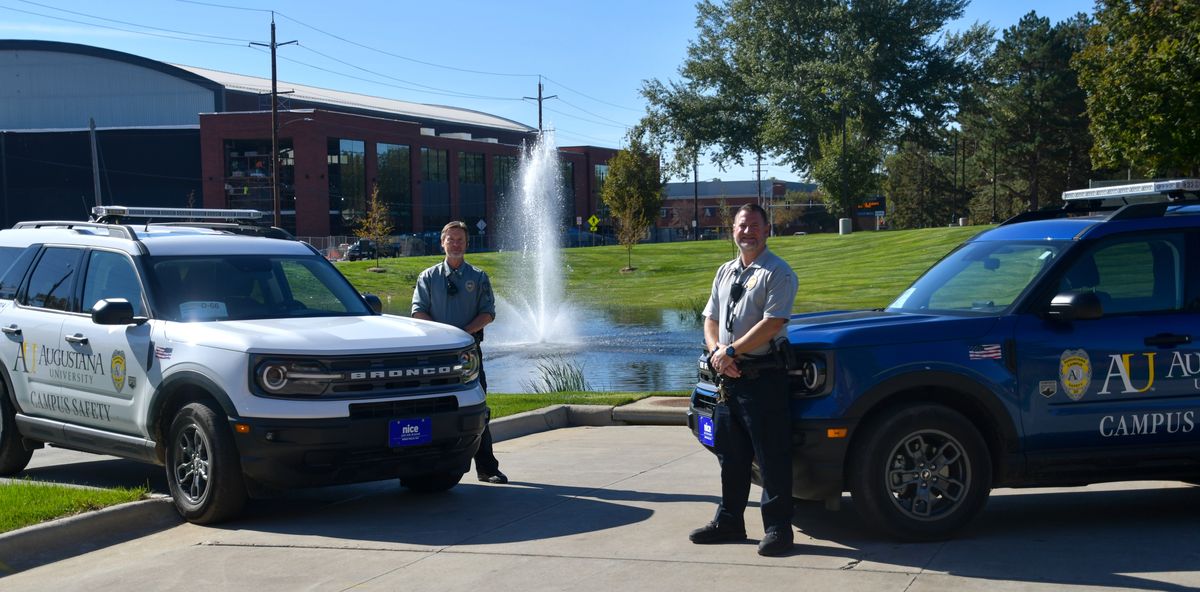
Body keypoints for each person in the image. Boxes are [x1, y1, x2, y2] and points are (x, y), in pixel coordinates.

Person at [689, 203, 797, 557]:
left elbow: (773, 323)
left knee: (771, 458)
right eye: (741, 226)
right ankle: (730, 520)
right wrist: (717, 353)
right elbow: (710, 319)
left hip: (762, 378)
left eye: (753, 225)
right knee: (731, 457)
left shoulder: (778, 273)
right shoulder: (725, 271)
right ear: (732, 230)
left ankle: (778, 529)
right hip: (728, 380)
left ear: (767, 230)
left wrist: (730, 353)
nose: (747, 231)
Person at [412, 221, 507, 484]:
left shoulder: (478, 278)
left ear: (466, 244)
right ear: (441, 242)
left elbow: (488, 313)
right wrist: (446, 337)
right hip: (435, 355)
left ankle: (487, 468)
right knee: (430, 409)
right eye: (450, 239)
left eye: (460, 240)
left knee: (477, 408)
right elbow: (418, 312)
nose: (455, 244)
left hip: (468, 355)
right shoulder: (428, 277)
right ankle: (426, 468)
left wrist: (463, 335)